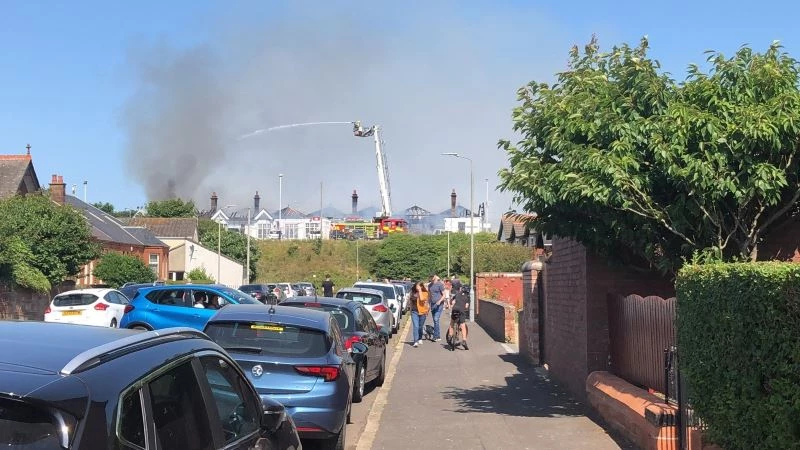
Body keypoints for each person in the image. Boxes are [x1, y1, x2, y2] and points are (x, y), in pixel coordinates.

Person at [447, 284, 470, 350]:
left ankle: (450, 336)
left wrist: (452, 305)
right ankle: (464, 341)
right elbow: (466, 306)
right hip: (461, 310)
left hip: (455, 309)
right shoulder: (468, 297)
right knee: (463, 325)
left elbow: (452, 301)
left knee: (452, 322)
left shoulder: (457, 294)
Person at [409, 282, 430, 348]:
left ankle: (420, 338)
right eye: (416, 286)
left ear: (421, 287)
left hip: (422, 312)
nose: (417, 287)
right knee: (416, 326)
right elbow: (411, 301)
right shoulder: (413, 293)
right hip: (414, 312)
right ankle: (415, 341)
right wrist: (410, 309)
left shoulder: (425, 293)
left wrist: (420, 291)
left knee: (420, 327)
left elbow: (421, 299)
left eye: (419, 286)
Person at [427, 274, 446, 342]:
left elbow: (444, 294)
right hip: (433, 305)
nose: (431, 278)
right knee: (435, 321)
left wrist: (440, 301)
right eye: (430, 277)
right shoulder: (429, 286)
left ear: (435, 276)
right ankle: (438, 336)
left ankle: (435, 336)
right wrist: (428, 304)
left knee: (436, 319)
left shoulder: (439, 284)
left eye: (432, 277)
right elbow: (429, 296)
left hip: (439, 305)